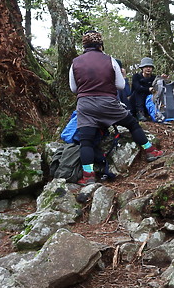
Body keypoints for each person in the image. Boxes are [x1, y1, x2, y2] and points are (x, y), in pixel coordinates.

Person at [69, 31, 163, 186]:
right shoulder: (110, 60)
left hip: (85, 106)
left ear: (84, 46)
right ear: (100, 45)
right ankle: (150, 150)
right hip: (109, 104)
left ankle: (88, 176)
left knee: (86, 141)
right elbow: (120, 85)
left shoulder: (75, 63)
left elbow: (73, 88)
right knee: (132, 124)